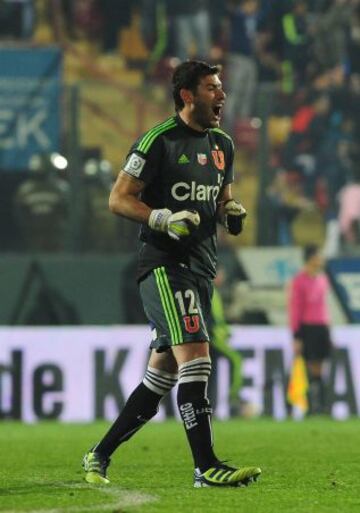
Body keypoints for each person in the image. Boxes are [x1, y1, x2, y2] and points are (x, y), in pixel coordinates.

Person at [82, 60, 261, 488]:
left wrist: (230, 212)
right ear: (187, 94)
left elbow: (222, 200)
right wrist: (159, 217)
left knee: (159, 376)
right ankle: (206, 466)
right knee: (196, 356)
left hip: (201, 268)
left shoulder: (222, 144)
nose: (222, 95)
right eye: (212, 88)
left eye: (221, 88)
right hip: (164, 266)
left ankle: (98, 454)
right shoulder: (158, 141)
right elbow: (119, 198)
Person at [288, 244, 332, 415]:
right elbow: (295, 309)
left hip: (322, 327)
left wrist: (328, 328)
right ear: (311, 258)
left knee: (320, 366)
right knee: (310, 366)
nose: (321, 259)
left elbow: (324, 306)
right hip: (308, 328)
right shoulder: (299, 280)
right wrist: (297, 335)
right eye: (318, 256)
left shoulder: (323, 279)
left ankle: (321, 405)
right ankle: (312, 405)